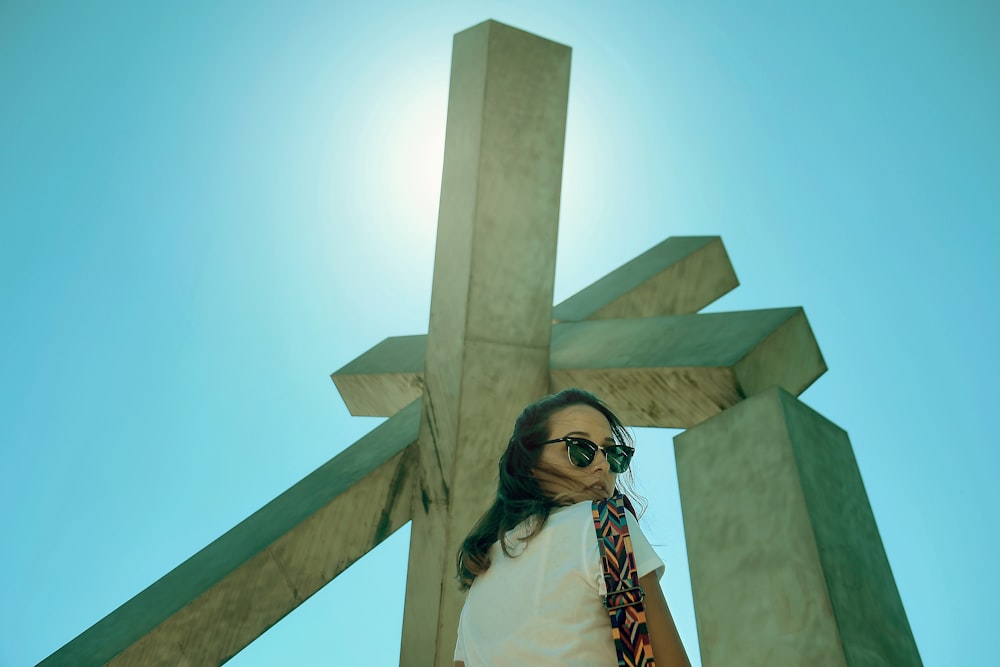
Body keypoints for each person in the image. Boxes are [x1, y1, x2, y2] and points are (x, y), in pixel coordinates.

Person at [454, 388, 691, 666]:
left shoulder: (480, 572)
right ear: (530, 461)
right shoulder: (607, 527)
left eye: (614, 455)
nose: (603, 465)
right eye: (580, 449)